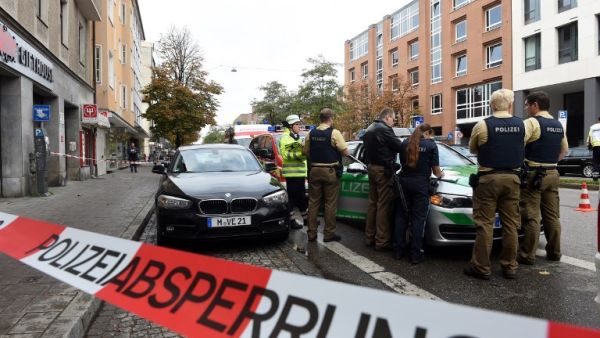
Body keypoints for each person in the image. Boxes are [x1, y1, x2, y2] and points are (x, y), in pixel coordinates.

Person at [464, 89, 524, 280]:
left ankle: (481, 267)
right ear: (510, 105)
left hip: (488, 178)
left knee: (484, 224)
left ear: (492, 105)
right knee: (511, 225)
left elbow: (473, 148)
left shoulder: (483, 125)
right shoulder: (521, 124)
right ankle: (510, 266)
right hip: (513, 179)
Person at [518, 91, 568, 266]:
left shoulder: (532, 122)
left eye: (526, 105)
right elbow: (564, 151)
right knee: (552, 216)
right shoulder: (558, 125)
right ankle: (554, 252)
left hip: (534, 174)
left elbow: (518, 145)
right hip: (553, 172)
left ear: (535, 105)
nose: (525, 108)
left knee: (531, 215)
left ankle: (527, 255)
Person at [394, 123, 443, 264]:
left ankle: (398, 251)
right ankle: (415, 254)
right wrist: (441, 174)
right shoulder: (431, 146)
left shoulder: (404, 144)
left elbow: (402, 164)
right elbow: (436, 170)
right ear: (427, 133)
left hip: (404, 183)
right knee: (418, 219)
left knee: (401, 216)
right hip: (421, 185)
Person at [303, 108, 349, 242]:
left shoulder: (310, 133)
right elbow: (345, 152)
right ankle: (328, 234)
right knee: (330, 204)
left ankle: (311, 234)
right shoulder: (335, 133)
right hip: (330, 172)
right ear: (330, 118)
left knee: (313, 203)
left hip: (314, 171)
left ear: (320, 119)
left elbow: (305, 151)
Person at [363, 108, 404, 251]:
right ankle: (382, 241)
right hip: (383, 170)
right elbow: (400, 146)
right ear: (387, 117)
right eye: (393, 119)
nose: (394, 122)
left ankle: (369, 237)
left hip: (371, 168)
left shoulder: (370, 128)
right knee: (383, 205)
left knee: (373, 203)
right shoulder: (384, 129)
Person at [280, 114, 308, 230]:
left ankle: (306, 219)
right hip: (293, 174)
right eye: (297, 124)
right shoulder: (286, 138)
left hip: (299, 173)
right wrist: (302, 153)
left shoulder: (295, 137)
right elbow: (286, 155)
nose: (299, 127)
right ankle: (291, 221)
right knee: (293, 198)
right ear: (291, 126)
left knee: (301, 197)